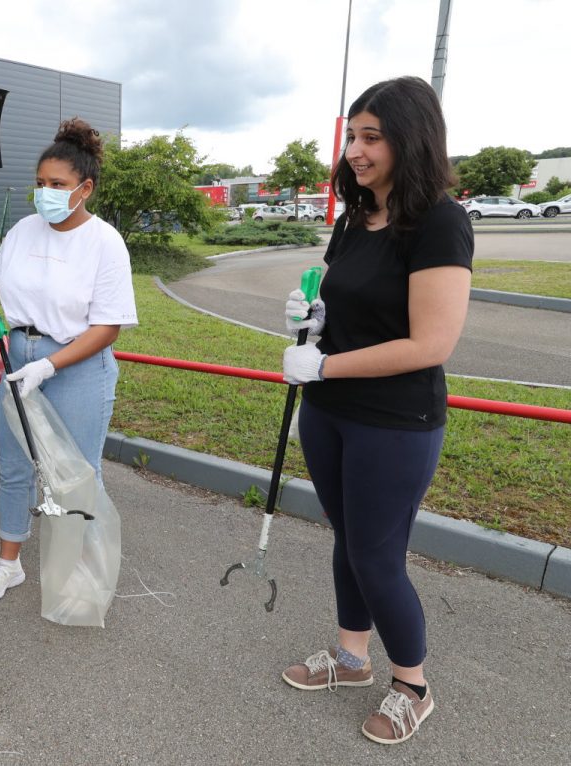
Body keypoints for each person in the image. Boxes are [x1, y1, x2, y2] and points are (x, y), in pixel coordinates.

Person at [278, 76, 473, 745]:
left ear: (409, 139)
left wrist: (325, 363)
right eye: (352, 135)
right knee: (347, 539)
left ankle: (412, 684)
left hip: (394, 420)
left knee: (378, 555)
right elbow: (348, 307)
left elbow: (431, 342)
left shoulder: (441, 221)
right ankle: (352, 658)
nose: (355, 150)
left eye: (371, 136)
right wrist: (315, 320)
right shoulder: (353, 217)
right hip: (329, 410)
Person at [0, 118, 138, 602]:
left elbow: (108, 327)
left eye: (57, 185)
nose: (45, 194)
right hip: (18, 357)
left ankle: (78, 569)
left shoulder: (104, 243)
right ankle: (8, 564)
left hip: (77, 367)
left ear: (85, 188)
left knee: (78, 474)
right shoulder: (23, 231)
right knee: (15, 466)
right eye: (40, 184)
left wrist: (51, 365)